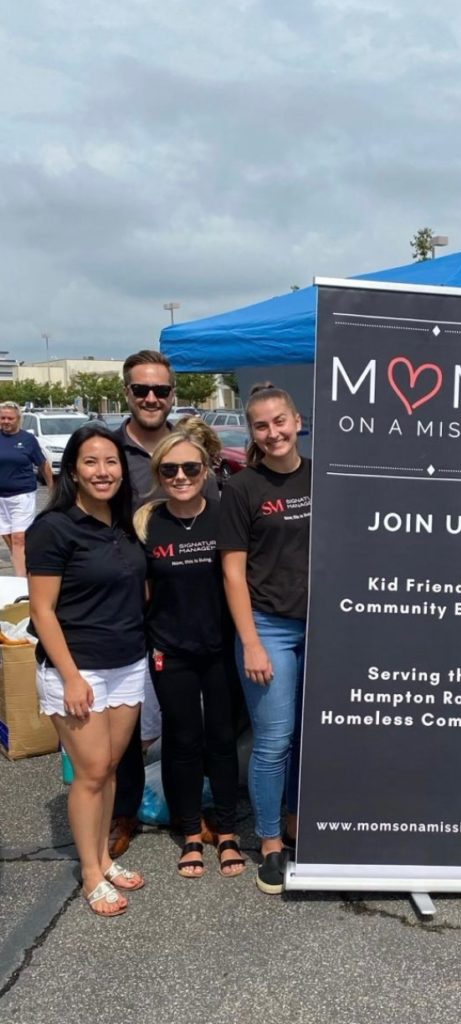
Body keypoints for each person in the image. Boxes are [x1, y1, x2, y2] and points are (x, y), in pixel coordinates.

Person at [26, 424, 147, 916]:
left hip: (128, 663)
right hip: (78, 668)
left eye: (111, 461)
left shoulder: (124, 523)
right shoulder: (54, 528)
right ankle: (91, 872)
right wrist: (71, 675)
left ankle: (103, 857)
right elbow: (42, 610)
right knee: (91, 771)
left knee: (109, 767)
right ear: (72, 470)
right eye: (91, 462)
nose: (103, 471)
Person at [109, 350, 219, 859]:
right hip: (125, 604)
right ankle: (125, 811)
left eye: (160, 390)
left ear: (172, 394)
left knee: (184, 719)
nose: (151, 398)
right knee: (127, 718)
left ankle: (190, 810)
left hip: (181, 608)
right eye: (141, 389)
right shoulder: (108, 451)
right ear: (127, 393)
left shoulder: (190, 449)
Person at [134, 426, 244, 879]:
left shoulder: (225, 515)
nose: (180, 476)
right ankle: (191, 833)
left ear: (206, 470)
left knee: (221, 739)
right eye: (170, 469)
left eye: (190, 468)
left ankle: (228, 830)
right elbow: (140, 591)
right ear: (158, 473)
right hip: (170, 650)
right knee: (181, 741)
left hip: (219, 647)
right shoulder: (146, 523)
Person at [219, 383, 310, 895]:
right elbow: (233, 573)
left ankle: (295, 820)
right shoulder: (242, 488)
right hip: (268, 627)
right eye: (261, 425)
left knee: (308, 736)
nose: (273, 432)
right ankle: (270, 841)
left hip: (324, 627)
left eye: (280, 421)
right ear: (251, 433)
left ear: (297, 421)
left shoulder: (322, 477)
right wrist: (251, 641)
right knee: (273, 741)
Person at [0, 401, 52, 576]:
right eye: (2, 418)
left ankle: (21, 580)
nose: (6, 421)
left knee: (19, 538)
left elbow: (43, 465)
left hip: (22, 495)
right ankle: (26, 564)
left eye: (10, 418)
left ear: (18, 419)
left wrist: (52, 488)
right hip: (1, 498)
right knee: (9, 537)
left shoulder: (28, 440)